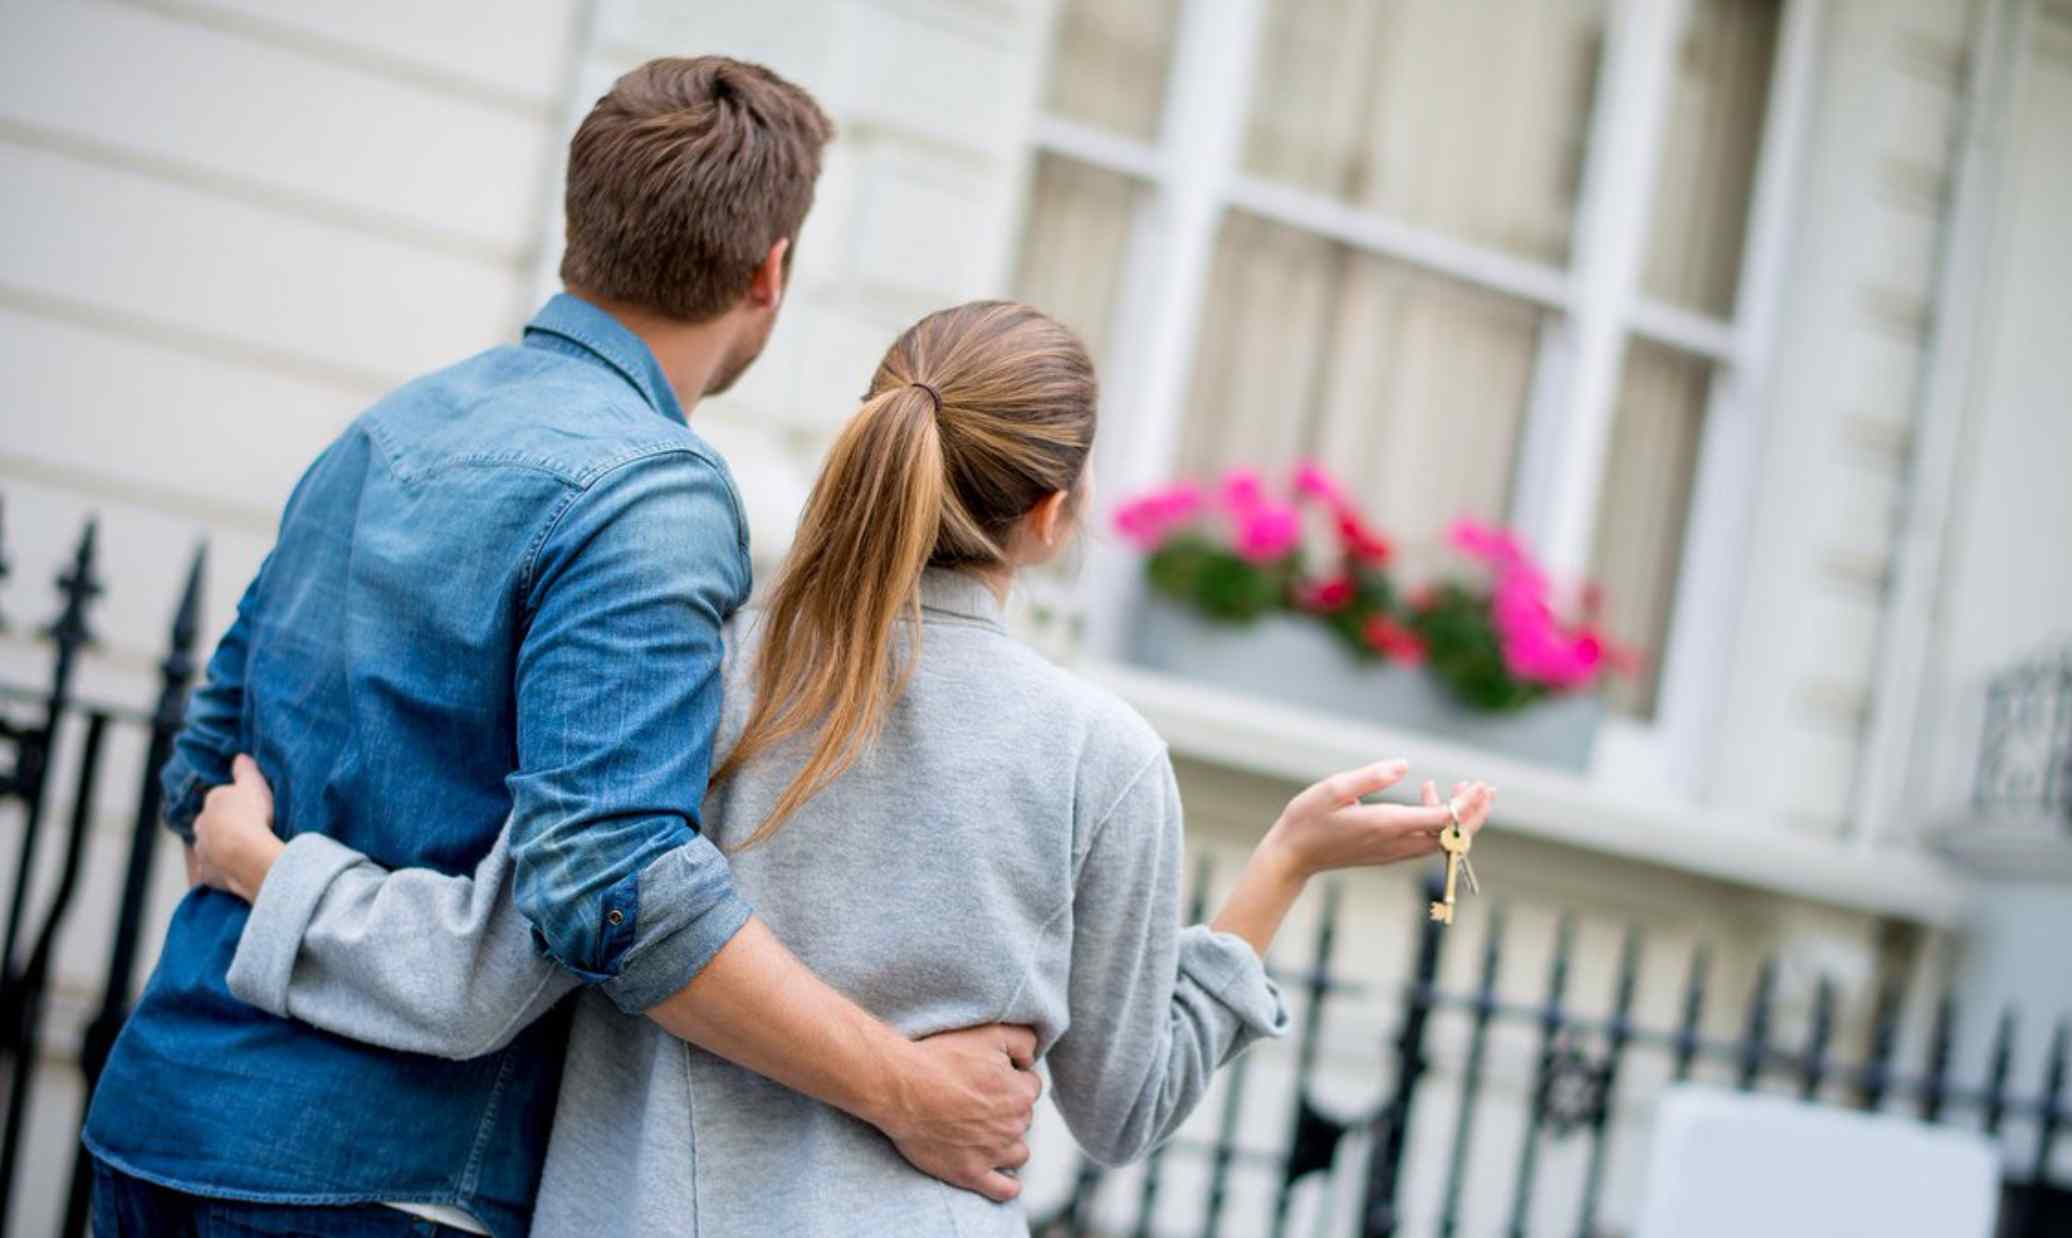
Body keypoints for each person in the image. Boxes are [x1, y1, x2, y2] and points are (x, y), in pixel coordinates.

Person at [188, 300, 1496, 1236]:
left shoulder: (692, 672)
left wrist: (269, 869)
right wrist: (1285, 866)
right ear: (1053, 516)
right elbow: (1126, 1104)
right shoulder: (1103, 758)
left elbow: (495, 955)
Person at [82, 58, 1041, 1238]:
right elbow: (614, 886)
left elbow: (205, 775)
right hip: (375, 1178)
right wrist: (905, 1088)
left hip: (161, 1117)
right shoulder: (652, 490)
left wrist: (267, 868)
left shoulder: (394, 423)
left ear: (578, 226)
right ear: (769, 271)